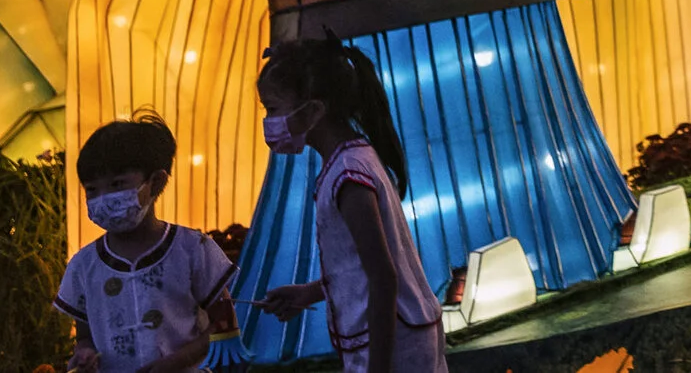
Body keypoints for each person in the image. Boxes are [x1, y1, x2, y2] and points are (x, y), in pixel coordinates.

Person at [252, 38, 445, 372]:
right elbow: (360, 268)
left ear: (313, 109)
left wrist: (378, 368)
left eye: (272, 108)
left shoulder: (349, 174)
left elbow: (383, 276)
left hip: (394, 349)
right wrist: (310, 293)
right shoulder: (351, 161)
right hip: (393, 342)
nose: (269, 122)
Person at [55, 115, 236, 373]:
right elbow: (85, 336)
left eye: (117, 184)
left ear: (156, 183)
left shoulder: (193, 249)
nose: (103, 198)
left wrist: (176, 362)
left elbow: (225, 326)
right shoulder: (83, 266)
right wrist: (83, 355)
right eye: (92, 189)